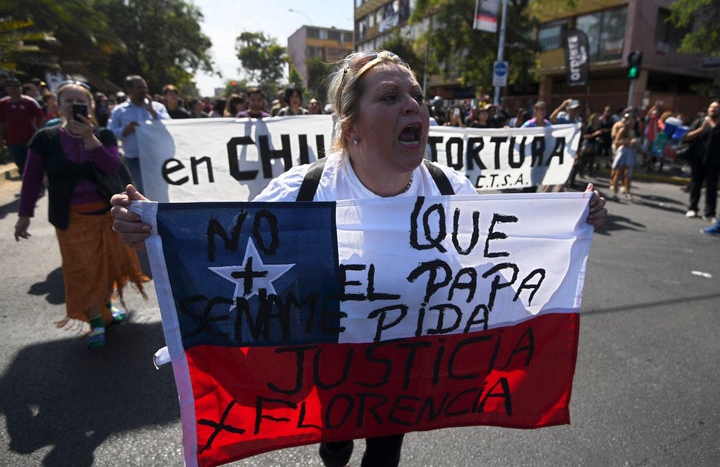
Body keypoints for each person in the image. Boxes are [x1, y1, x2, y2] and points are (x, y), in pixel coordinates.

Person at [109, 50, 608, 466]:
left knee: (386, 449)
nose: (412, 106)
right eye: (390, 98)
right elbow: (214, 258)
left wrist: (575, 222)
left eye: (416, 96)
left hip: (406, 353)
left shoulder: (449, 189)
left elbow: (497, 262)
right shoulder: (302, 192)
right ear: (352, 129)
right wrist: (149, 235)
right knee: (335, 441)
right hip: (330, 353)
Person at [13, 80, 148, 350]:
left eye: (81, 102)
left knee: (107, 267)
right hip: (72, 221)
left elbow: (112, 167)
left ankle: (106, 308)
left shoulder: (104, 135)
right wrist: (24, 215)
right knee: (83, 272)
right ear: (59, 106)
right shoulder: (45, 139)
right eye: (69, 101)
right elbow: (31, 179)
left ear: (89, 106)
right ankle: (96, 320)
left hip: (108, 218)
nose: (75, 106)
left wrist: (89, 140)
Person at [107, 75, 170, 191]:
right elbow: (109, 133)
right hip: (134, 159)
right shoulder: (119, 111)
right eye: (139, 87)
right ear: (129, 90)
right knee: (142, 191)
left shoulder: (157, 107)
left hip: (156, 157)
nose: (144, 91)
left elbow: (170, 126)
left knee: (160, 189)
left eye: (145, 87)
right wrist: (125, 130)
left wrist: (153, 112)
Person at [0, 77, 46, 176]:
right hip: (13, 140)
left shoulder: (30, 102)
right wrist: (1, 138)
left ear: (20, 88)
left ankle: (38, 183)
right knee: (21, 163)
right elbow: (1, 123)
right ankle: (27, 185)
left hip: (30, 138)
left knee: (34, 162)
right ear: (6, 89)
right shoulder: (3, 104)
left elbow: (41, 118)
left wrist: (40, 133)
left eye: (16, 87)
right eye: (10, 88)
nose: (13, 90)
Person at [683, 100, 720, 223]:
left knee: (711, 188)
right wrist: (701, 129)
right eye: (711, 107)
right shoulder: (700, 122)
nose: (712, 110)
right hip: (698, 160)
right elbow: (686, 136)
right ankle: (692, 208)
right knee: (695, 185)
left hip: (714, 162)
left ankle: (709, 213)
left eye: (715, 108)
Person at [609, 111, 640, 200]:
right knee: (618, 171)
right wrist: (628, 142)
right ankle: (614, 190)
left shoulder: (633, 131)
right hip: (623, 151)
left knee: (628, 173)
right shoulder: (622, 129)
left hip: (630, 152)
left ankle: (627, 190)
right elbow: (616, 142)